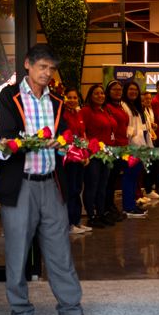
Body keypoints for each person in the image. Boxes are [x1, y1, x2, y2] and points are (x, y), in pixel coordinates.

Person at [0, 44, 101, 315]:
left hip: (51, 182)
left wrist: (65, 141)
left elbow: (66, 132)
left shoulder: (55, 100)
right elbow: (8, 135)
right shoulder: (9, 96)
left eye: (51, 68)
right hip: (21, 185)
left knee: (60, 250)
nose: (47, 73)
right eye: (42, 67)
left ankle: (70, 310)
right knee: (17, 252)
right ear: (28, 65)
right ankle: (20, 313)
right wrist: (43, 141)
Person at [80, 84, 117, 229]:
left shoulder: (105, 110)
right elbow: (82, 133)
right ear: (90, 95)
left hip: (107, 154)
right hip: (93, 155)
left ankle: (101, 213)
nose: (100, 96)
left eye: (102, 93)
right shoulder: (86, 111)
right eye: (96, 93)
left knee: (103, 186)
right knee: (92, 185)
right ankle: (92, 215)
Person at [61, 86, 92, 234]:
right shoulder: (63, 115)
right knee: (71, 190)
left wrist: (85, 155)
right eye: (69, 97)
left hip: (80, 158)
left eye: (75, 98)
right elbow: (66, 139)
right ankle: (69, 223)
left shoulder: (78, 115)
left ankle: (77, 221)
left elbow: (82, 136)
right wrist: (76, 155)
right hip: (69, 160)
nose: (72, 100)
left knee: (78, 189)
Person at [120, 80, 150, 218]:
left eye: (136, 90)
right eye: (130, 89)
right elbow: (128, 130)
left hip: (140, 148)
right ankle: (128, 207)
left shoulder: (136, 107)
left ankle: (131, 204)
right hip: (131, 149)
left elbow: (142, 130)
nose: (133, 92)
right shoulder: (123, 106)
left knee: (134, 177)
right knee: (129, 177)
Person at [103, 80, 129, 222]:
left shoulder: (120, 107)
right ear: (109, 91)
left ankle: (111, 205)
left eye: (120, 89)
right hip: (113, 147)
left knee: (113, 179)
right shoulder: (107, 107)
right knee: (109, 180)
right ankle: (107, 207)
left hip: (123, 146)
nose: (118, 91)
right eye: (114, 89)